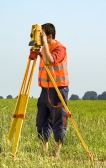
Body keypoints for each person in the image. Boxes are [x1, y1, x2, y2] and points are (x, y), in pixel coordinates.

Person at [36, 23, 69, 157]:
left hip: (58, 89)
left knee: (58, 119)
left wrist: (44, 44)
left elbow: (49, 61)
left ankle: (57, 150)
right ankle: (44, 151)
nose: (40, 38)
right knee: (42, 120)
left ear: (49, 36)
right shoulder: (44, 48)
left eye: (42, 35)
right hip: (45, 90)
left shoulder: (60, 49)